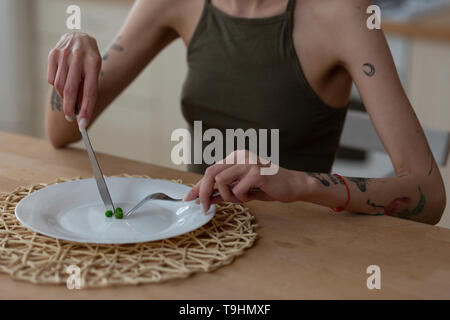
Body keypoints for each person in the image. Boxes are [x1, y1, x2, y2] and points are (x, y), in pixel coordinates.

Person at [45, 0, 446, 225]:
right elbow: (60, 132)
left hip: (306, 247)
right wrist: (77, 46)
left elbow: (428, 196)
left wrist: (303, 184)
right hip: (192, 234)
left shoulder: (344, 14)